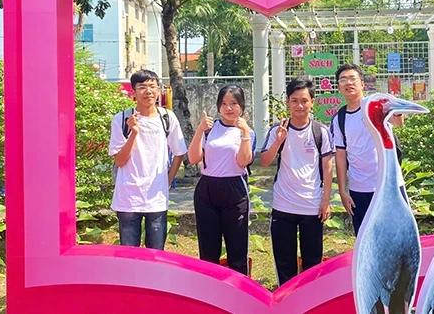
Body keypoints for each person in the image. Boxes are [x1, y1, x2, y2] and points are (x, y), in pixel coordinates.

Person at [260, 78, 334, 285]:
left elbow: (328, 168)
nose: (299, 106)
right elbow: (265, 162)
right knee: (285, 264)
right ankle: (287, 302)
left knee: (312, 263)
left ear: (312, 102)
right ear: (287, 102)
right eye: (294, 101)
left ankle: (310, 302)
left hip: (312, 206)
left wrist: (326, 200)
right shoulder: (278, 130)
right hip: (283, 206)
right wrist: (278, 141)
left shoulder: (321, 132)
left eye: (304, 100)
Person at [108, 70, 187, 250]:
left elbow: (179, 152)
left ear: (159, 90)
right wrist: (133, 133)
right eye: (142, 87)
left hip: (156, 198)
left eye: (152, 86)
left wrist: (167, 180)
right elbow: (120, 161)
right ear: (133, 93)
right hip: (128, 197)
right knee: (129, 255)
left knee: (156, 254)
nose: (148, 91)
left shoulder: (167, 118)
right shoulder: (121, 119)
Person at [188, 85, 256, 275]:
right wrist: (200, 130)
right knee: (208, 249)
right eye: (224, 103)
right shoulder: (210, 129)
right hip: (207, 190)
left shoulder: (247, 132)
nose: (228, 108)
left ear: (241, 105)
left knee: (237, 246)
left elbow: (243, 161)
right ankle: (210, 294)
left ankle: (239, 294)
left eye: (233, 103)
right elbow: (193, 158)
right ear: (218, 106)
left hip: (234, 190)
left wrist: (245, 134)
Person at [331, 63, 406, 236]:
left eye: (352, 79)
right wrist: (343, 190)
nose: (348, 83)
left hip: (390, 185)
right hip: (359, 189)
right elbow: (341, 156)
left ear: (362, 84)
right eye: (343, 80)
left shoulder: (376, 106)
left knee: (396, 236)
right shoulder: (339, 119)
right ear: (339, 87)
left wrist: (395, 107)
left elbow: (398, 122)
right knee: (366, 238)